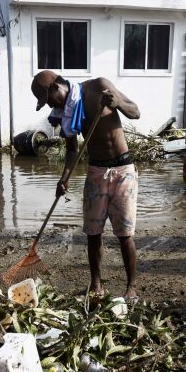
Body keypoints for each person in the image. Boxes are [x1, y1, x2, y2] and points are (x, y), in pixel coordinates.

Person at [31, 70, 141, 300]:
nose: (50, 104)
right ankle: (96, 286)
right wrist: (65, 178)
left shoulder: (98, 86)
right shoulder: (65, 112)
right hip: (96, 171)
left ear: (55, 87)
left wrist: (117, 102)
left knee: (125, 234)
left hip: (123, 170)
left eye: (48, 99)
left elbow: (136, 112)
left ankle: (131, 287)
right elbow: (72, 151)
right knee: (93, 233)